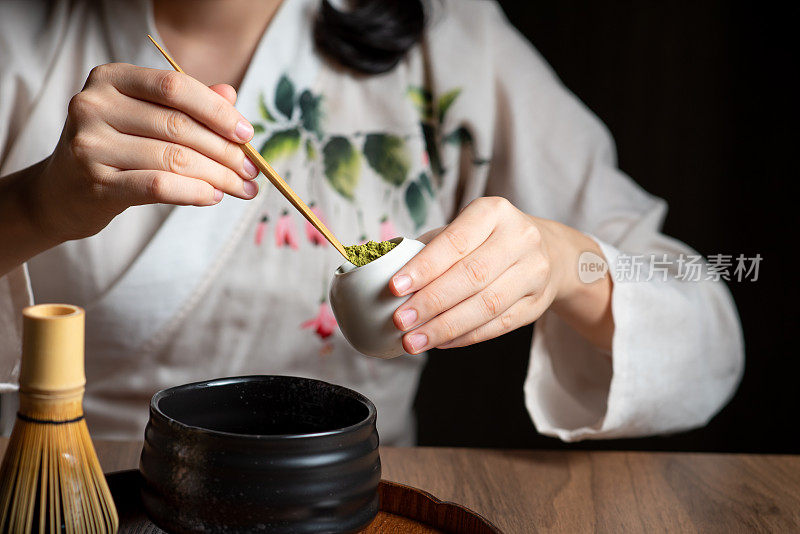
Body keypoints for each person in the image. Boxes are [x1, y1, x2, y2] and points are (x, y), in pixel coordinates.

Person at [0, 0, 743, 445]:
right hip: (83, 495)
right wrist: (37, 206)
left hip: (362, 503)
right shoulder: (24, 38)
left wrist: (561, 258)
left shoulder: (447, 43)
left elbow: (704, 326)